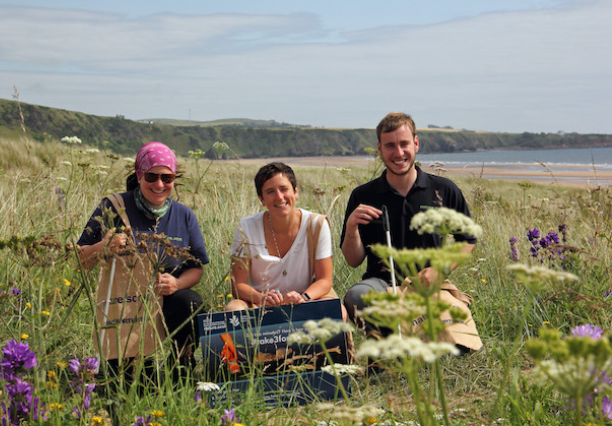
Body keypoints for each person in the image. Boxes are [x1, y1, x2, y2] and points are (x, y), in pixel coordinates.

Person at [77, 141, 210, 384]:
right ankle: (132, 365)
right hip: (125, 302)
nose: (159, 184)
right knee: (128, 385)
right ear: (139, 175)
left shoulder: (184, 215)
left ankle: (181, 365)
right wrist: (101, 247)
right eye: (151, 176)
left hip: (167, 298)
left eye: (167, 178)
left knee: (191, 303)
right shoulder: (112, 206)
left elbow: (196, 267)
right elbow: (80, 258)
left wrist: (177, 284)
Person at [341, 112, 477, 338]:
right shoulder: (363, 195)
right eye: (390, 146)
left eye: (404, 144)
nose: (399, 152)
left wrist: (440, 270)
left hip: (428, 287)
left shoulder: (444, 190)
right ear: (380, 149)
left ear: (415, 143)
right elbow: (353, 261)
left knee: (457, 345)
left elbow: (468, 240)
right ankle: (392, 343)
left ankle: (416, 334)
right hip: (382, 285)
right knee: (356, 297)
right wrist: (351, 228)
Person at [225, 162, 347, 321]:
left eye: (284, 189)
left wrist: (304, 297)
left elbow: (325, 280)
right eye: (270, 192)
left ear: (295, 192)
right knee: (233, 310)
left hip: (307, 300)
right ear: (261, 199)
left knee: (338, 312)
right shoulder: (246, 227)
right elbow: (237, 285)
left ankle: (332, 347)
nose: (279, 197)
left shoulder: (317, 225)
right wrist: (261, 298)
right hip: (259, 304)